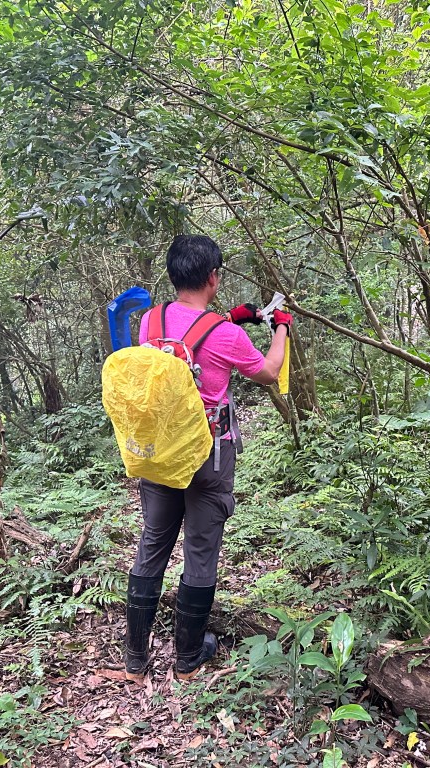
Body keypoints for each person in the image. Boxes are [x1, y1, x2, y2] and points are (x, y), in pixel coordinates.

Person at [124, 234, 291, 682]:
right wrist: (280, 326)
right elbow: (269, 372)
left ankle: (135, 661)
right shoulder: (227, 335)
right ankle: (187, 658)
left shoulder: (150, 319)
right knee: (200, 549)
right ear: (213, 277)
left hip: (160, 452)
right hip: (209, 455)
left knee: (153, 543)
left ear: (173, 274)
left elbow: (181, 341)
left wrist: (230, 317)